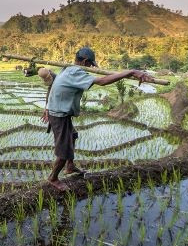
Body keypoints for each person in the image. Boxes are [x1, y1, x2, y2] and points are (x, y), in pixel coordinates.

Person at [41, 46, 153, 191]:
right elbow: (102, 81)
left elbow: (53, 85)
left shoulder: (67, 68)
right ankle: (53, 178)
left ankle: (70, 166)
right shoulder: (75, 71)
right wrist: (130, 72)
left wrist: (47, 107)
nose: (90, 68)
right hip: (59, 115)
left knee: (73, 136)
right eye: (90, 65)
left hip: (59, 112)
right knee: (64, 150)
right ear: (85, 61)